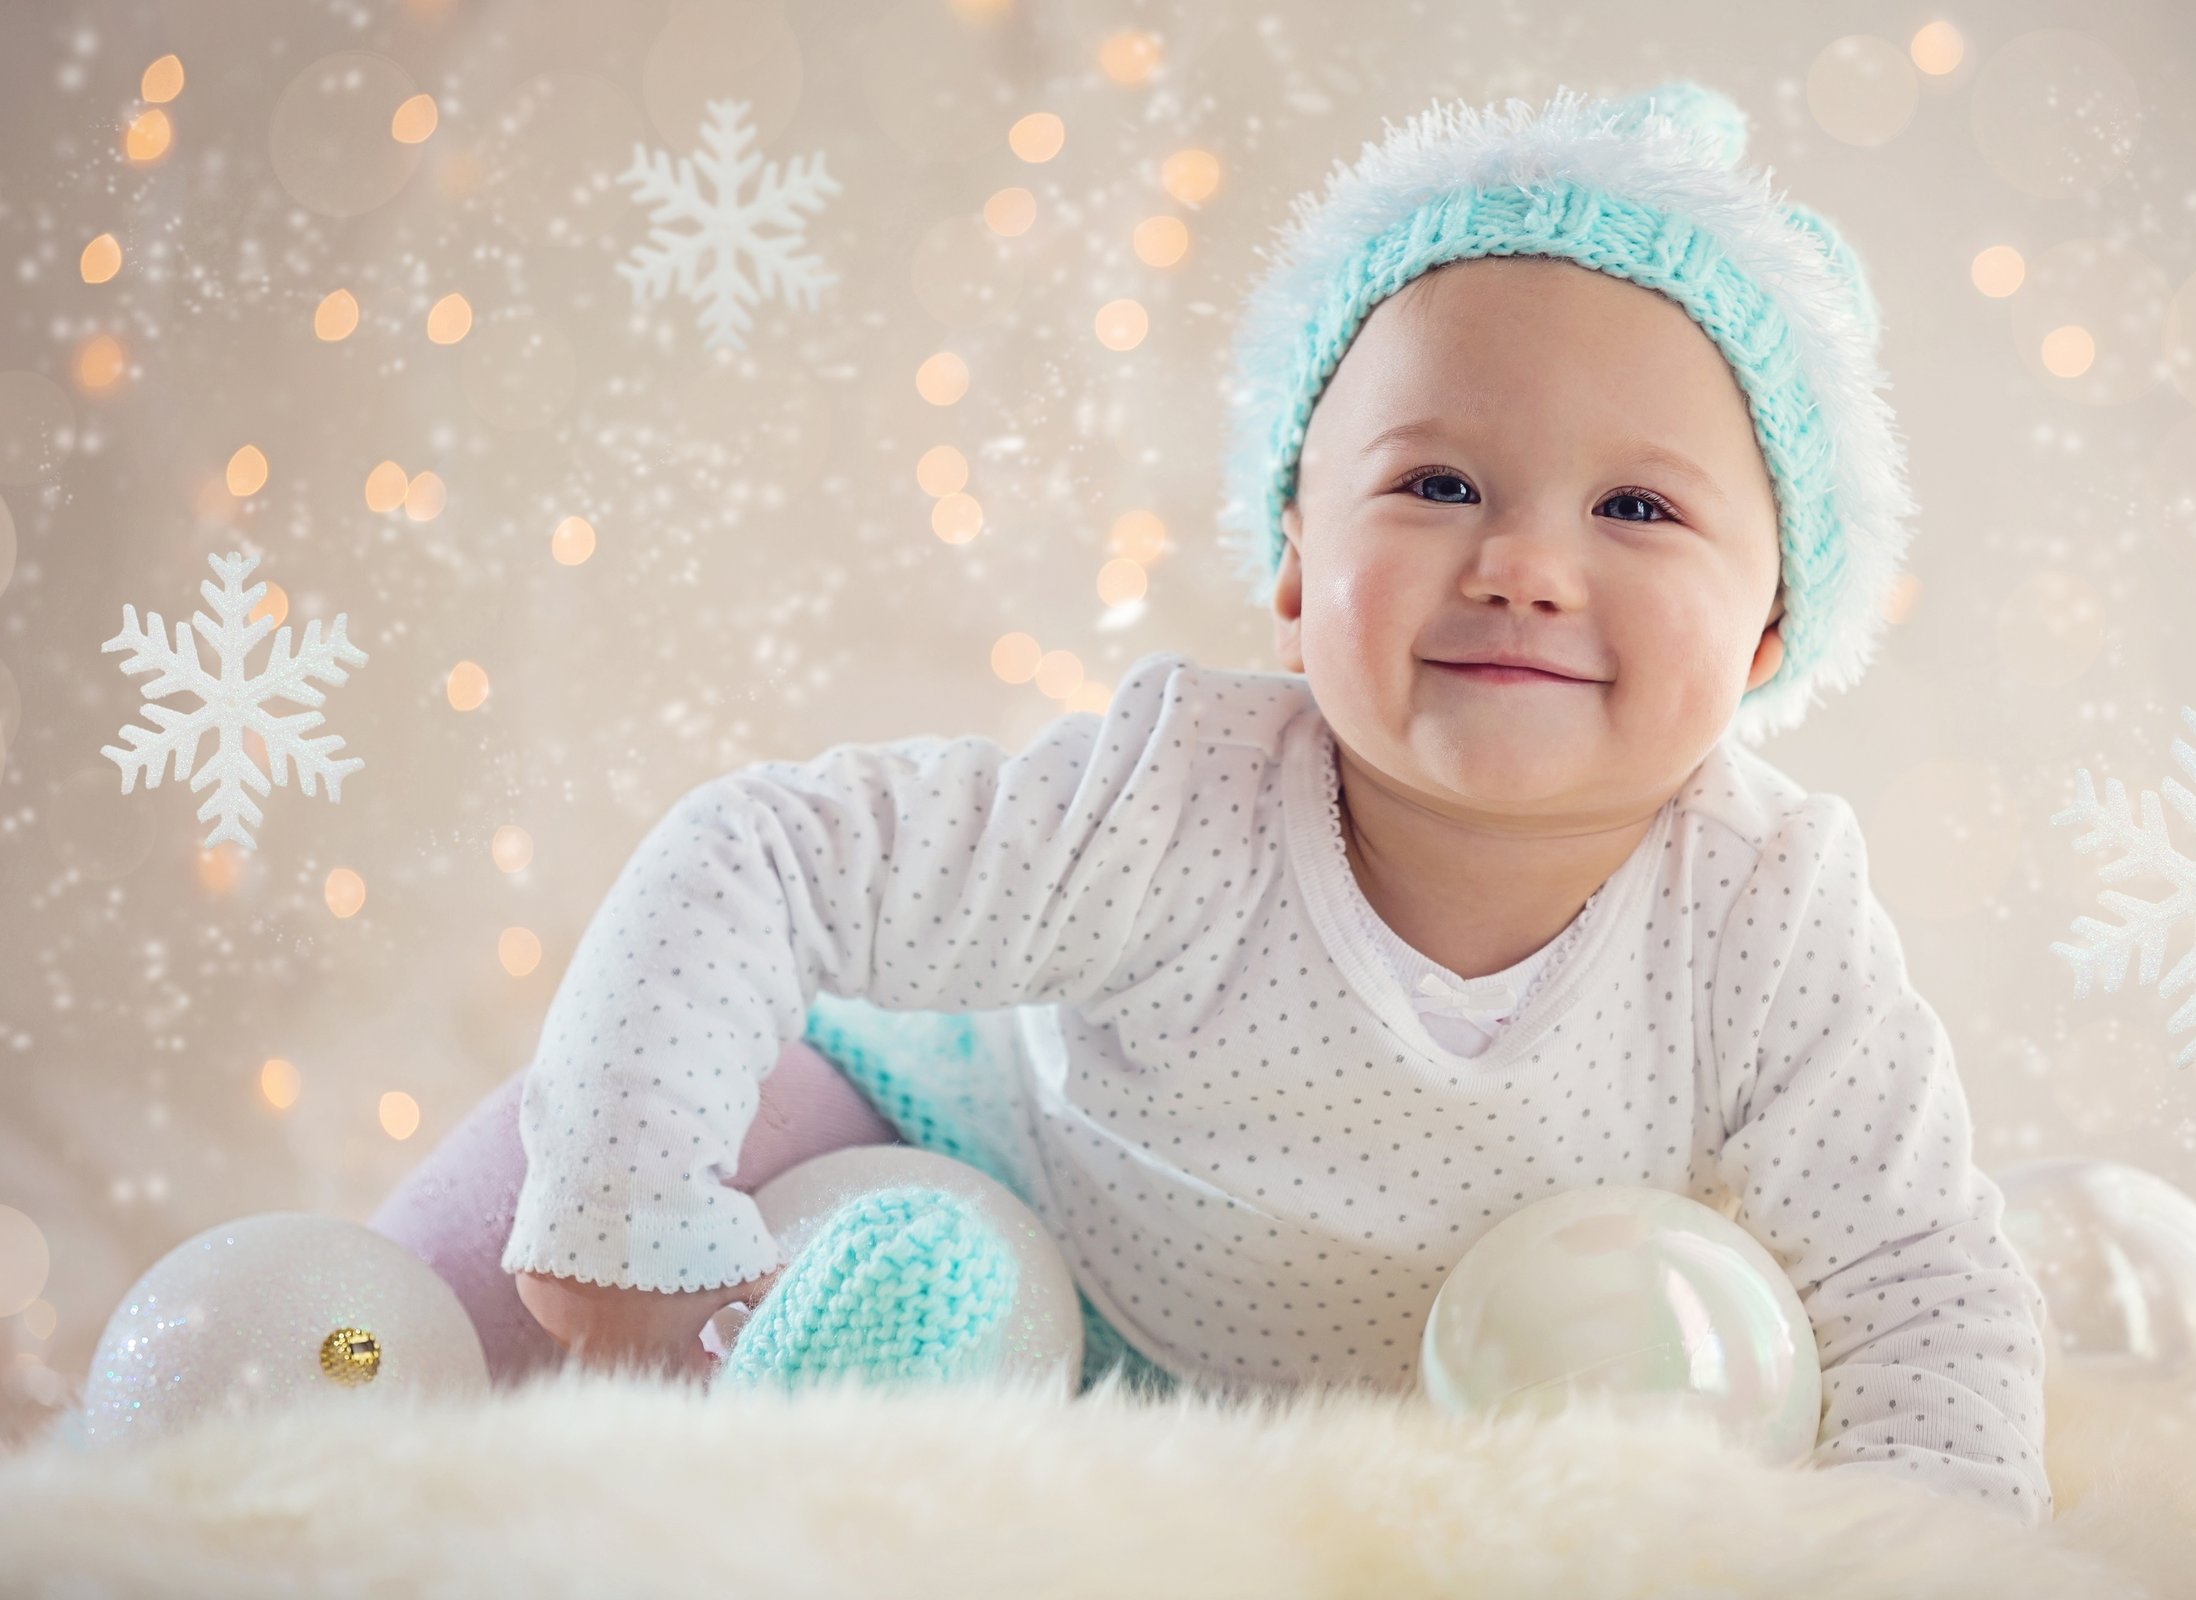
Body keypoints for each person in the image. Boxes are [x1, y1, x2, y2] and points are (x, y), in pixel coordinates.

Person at [377, 80, 2052, 1525]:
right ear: (1294, 559)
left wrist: (1928, 1551)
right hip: (990, 1185)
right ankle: (349, 1391)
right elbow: (767, 849)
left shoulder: (1767, 916)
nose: (1527, 565)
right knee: (718, 1140)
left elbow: (1914, 1285)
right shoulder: (1180, 798)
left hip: (1345, 1432)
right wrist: (627, 1198)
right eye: (1437, 483)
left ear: (1772, 628)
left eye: (1635, 506)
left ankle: (852, 1423)